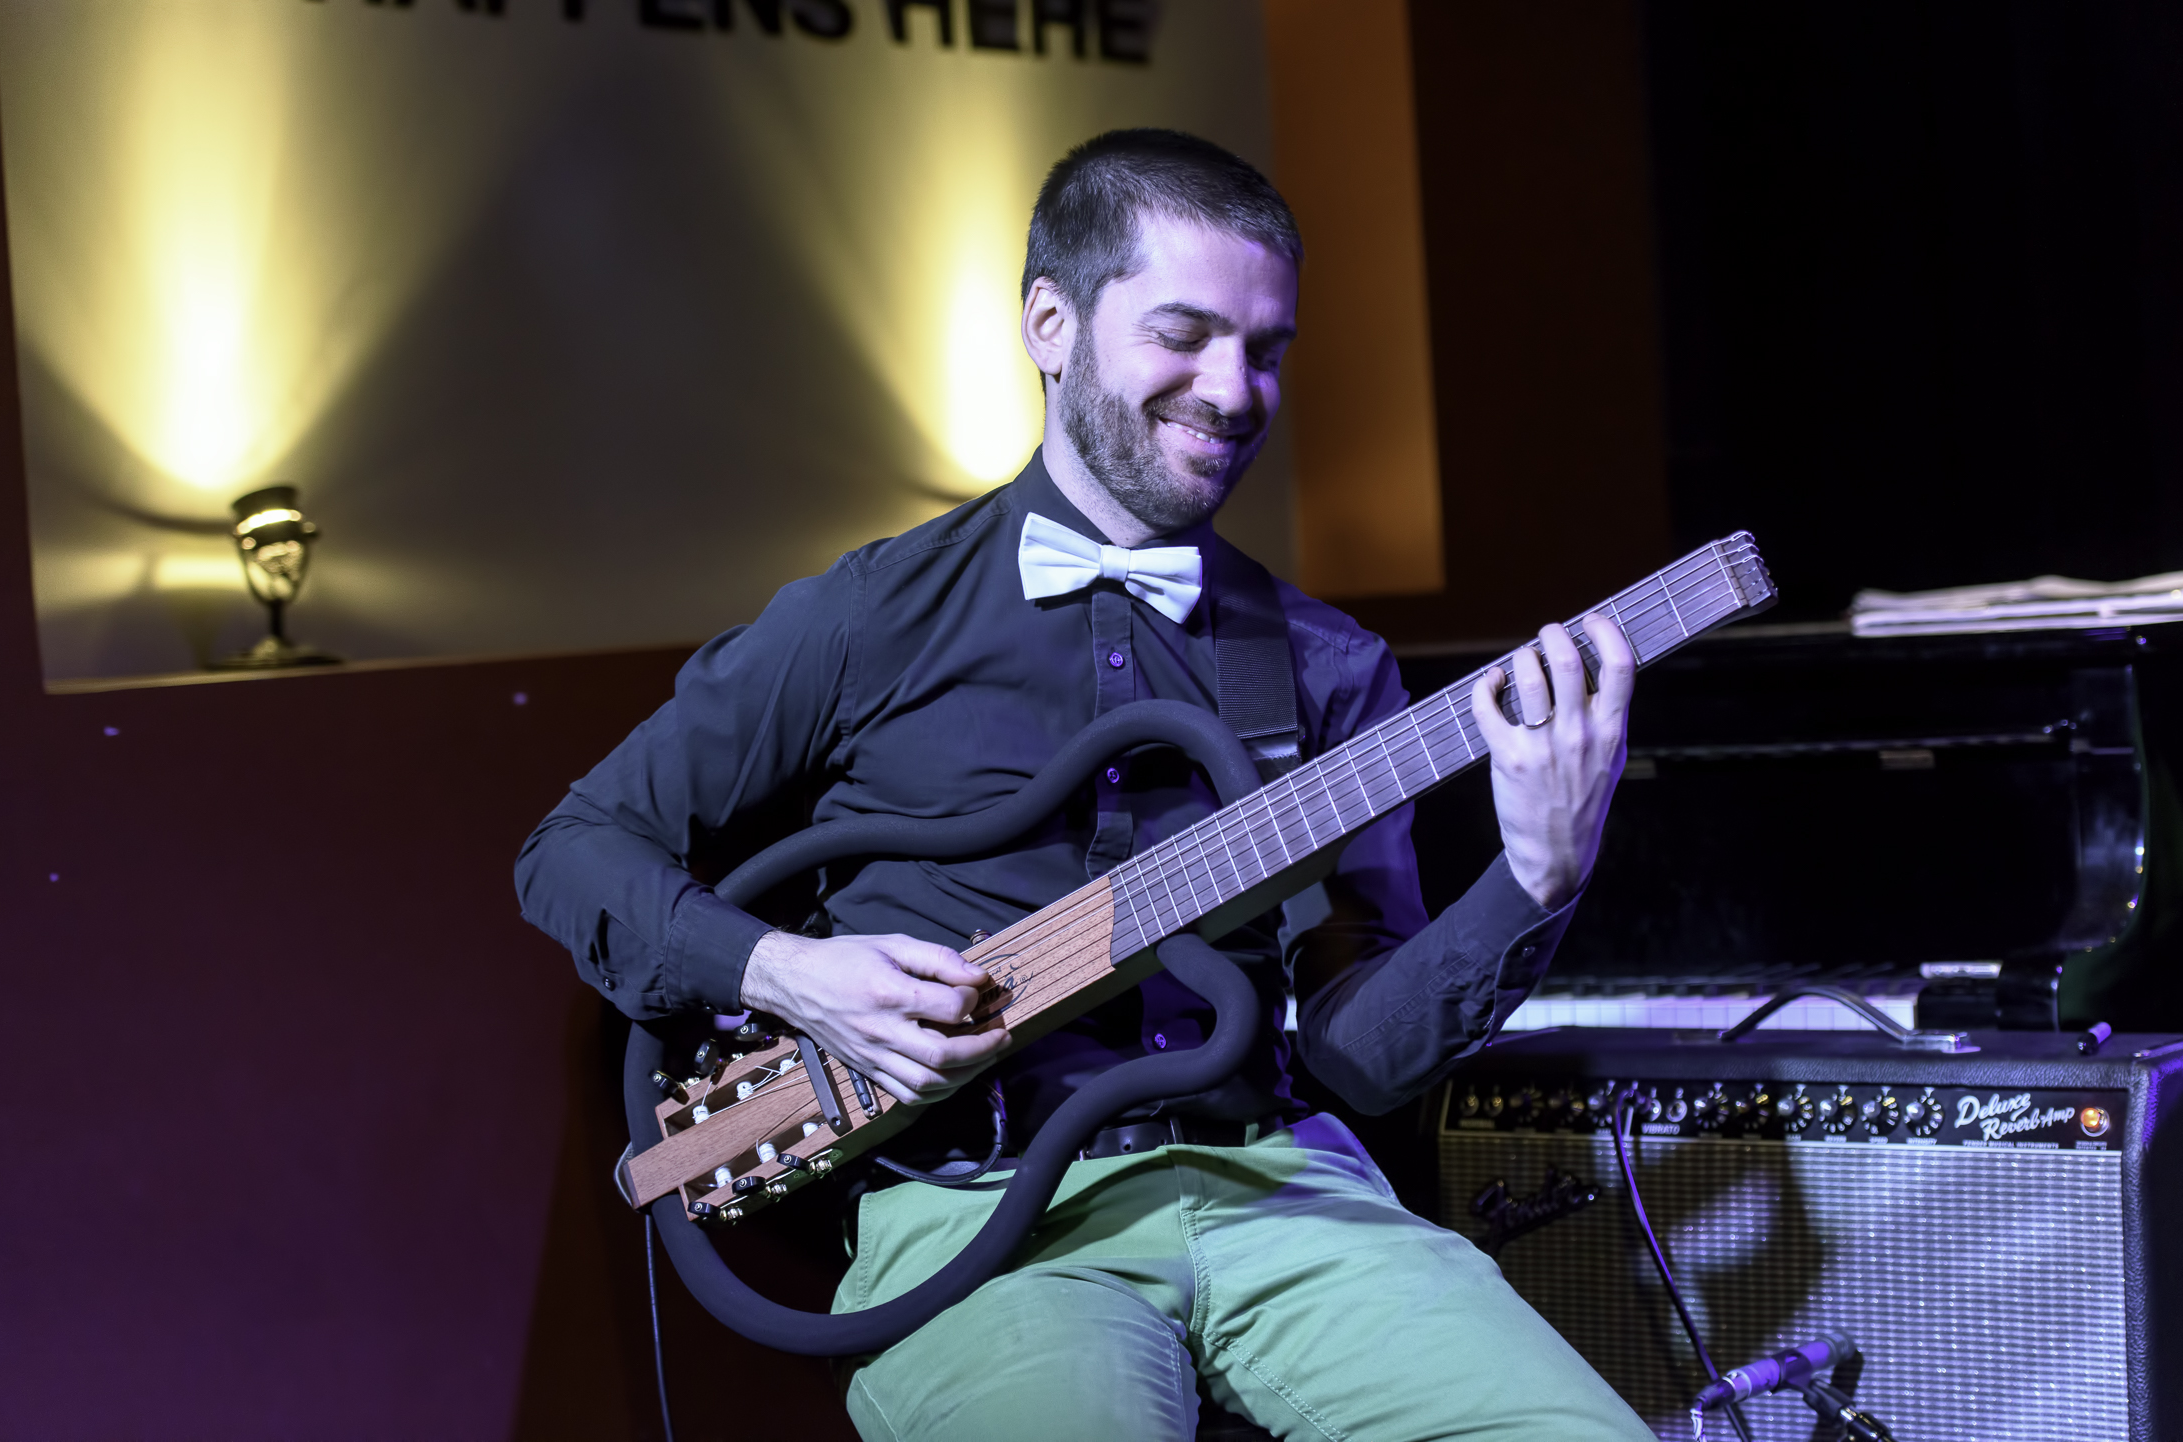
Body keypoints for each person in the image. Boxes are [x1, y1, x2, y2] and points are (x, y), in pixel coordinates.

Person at [517, 128, 1653, 1442]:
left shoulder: (1327, 664)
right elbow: (574, 845)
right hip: (974, 1215)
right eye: (1184, 334)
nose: (1234, 391)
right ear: (1050, 321)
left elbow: (1361, 1054)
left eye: (1266, 347)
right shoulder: (866, 617)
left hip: (1276, 1188)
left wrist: (1535, 879)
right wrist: (786, 970)